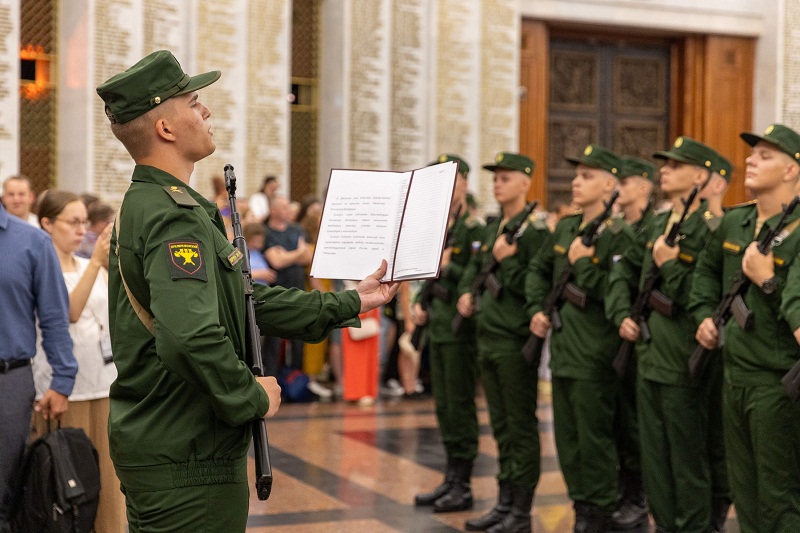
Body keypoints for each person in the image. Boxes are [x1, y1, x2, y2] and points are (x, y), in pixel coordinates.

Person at [95, 49, 398, 531]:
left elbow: (244, 299)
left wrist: (351, 300)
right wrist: (250, 395)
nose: (206, 111)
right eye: (193, 102)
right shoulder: (171, 215)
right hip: (187, 453)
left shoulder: (161, 203)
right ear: (166, 128)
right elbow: (188, 336)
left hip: (175, 445)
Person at [606, 137, 730, 533]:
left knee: (686, 460)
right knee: (654, 459)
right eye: (664, 164)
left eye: (675, 166)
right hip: (650, 356)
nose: (664, 170)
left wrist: (671, 266)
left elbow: (703, 296)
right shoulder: (657, 224)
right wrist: (623, 314)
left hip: (684, 360)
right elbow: (625, 274)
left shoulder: (712, 230)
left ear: (700, 176)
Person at [690, 123, 800, 532]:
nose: (751, 160)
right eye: (752, 154)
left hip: (777, 384)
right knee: (746, 494)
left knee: (779, 498)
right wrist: (704, 314)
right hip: (733, 375)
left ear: (791, 171)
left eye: (765, 155)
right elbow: (704, 272)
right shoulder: (735, 222)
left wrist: (767, 281)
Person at [526, 144, 634, 532]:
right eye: (576, 175)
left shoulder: (619, 235)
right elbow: (538, 270)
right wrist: (537, 309)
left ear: (610, 186)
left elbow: (616, 294)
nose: (575, 181)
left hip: (596, 353)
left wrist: (584, 263)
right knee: (568, 441)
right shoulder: (568, 226)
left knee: (595, 440)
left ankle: (600, 513)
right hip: (564, 351)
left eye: (586, 176)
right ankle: (581, 507)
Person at [458, 152, 549, 533]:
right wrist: (467, 293)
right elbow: (477, 272)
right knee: (500, 426)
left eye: (506, 178)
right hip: (489, 336)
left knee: (519, 427)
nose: (498, 183)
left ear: (526, 182)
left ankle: (521, 510)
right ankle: (504, 501)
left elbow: (535, 285)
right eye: (495, 178)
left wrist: (507, 262)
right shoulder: (495, 227)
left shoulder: (537, 233)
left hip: (515, 340)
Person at [32, 189, 126, 532]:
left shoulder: (91, 265)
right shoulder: (40, 264)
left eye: (84, 223)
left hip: (103, 380)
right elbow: (69, 310)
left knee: (106, 475)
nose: (80, 231)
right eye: (73, 222)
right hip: (62, 387)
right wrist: (97, 264)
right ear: (47, 224)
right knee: (67, 477)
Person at [412, 154, 485, 513]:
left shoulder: (473, 228)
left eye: (452, 180)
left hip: (459, 330)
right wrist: (418, 303)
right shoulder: (438, 225)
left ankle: (465, 483)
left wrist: (448, 266)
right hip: (437, 326)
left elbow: (475, 272)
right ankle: (451, 478)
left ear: (464, 184)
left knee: (459, 405)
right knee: (443, 406)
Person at [0, 201, 77, 531]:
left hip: (9, 381)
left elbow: (55, 318)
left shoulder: (32, 241)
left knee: (3, 489)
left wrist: (62, 379)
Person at [604, 155, 656, 530]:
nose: (618, 187)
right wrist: (621, 313)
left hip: (651, 341)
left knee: (641, 423)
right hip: (620, 337)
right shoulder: (616, 230)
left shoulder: (654, 228)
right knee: (622, 419)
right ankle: (627, 491)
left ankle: (639, 496)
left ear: (644, 187)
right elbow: (616, 278)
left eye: (626, 181)